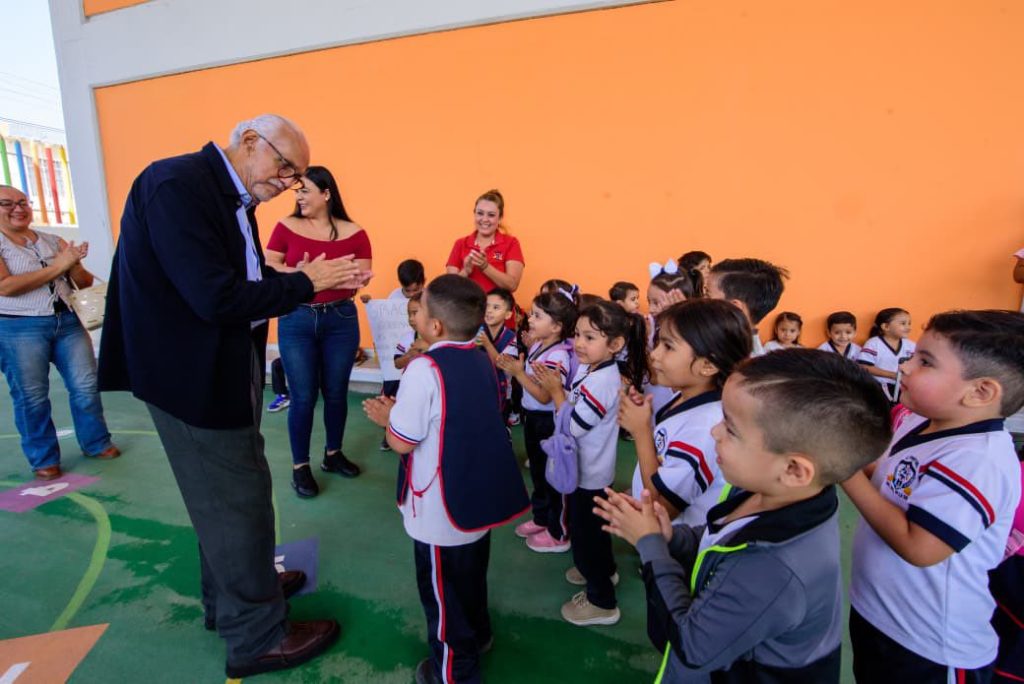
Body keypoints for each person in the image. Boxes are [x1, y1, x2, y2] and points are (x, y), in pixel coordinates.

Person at [99, 114, 364, 678]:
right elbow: (215, 297)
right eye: (285, 168)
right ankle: (257, 635)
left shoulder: (224, 195)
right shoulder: (177, 186)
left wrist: (282, 274)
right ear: (249, 142)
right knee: (234, 499)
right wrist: (305, 284)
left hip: (219, 362)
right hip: (190, 374)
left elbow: (233, 273)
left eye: (296, 176)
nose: (288, 184)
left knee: (229, 494)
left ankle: (237, 593)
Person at [596, 349, 892, 682]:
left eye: (731, 429)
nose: (715, 432)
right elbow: (720, 535)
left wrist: (651, 546)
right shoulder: (767, 490)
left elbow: (691, 645)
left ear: (794, 470)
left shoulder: (774, 568)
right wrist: (671, 537)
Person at [363, 274, 529, 684]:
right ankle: (480, 635)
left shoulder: (424, 368)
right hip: (473, 499)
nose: (414, 316)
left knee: (442, 597)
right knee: (470, 580)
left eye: (419, 310)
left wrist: (388, 418)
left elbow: (402, 442)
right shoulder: (481, 358)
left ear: (434, 325)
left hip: (439, 510)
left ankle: (454, 672)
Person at [844, 310, 1024, 683]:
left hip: (930, 645)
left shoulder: (977, 459)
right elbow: (890, 481)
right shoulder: (919, 420)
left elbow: (920, 547)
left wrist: (842, 467)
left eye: (925, 362)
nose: (905, 367)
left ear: (980, 392)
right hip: (880, 616)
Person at [533, 300, 648, 626]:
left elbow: (573, 427)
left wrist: (556, 392)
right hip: (590, 469)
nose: (579, 344)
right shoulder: (594, 368)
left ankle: (602, 601)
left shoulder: (602, 381)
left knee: (585, 538)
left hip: (589, 475)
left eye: (590, 337)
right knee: (594, 532)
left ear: (615, 344)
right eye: (578, 335)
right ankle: (604, 571)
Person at [265, 165, 372, 498]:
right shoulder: (286, 226)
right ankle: (300, 466)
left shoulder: (355, 232)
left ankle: (333, 454)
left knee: (336, 392)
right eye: (296, 191)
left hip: (340, 319)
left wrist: (356, 278)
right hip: (297, 318)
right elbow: (268, 265)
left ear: (326, 194)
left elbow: (363, 272)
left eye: (305, 191)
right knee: (303, 396)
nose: (298, 196)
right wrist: (298, 274)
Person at [0, 184, 118, 479]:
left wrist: (74, 263)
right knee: (32, 396)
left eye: (23, 202)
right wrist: (59, 265)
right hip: (19, 327)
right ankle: (44, 459)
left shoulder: (52, 241)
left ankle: (97, 442)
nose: (18, 208)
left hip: (67, 321)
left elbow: (83, 282)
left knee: (86, 385)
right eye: (7, 203)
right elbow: (6, 287)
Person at [621, 299, 752, 526]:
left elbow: (662, 508)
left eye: (668, 346)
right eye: (658, 342)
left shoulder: (705, 428)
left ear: (708, 365)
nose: (655, 354)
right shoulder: (687, 395)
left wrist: (641, 432)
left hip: (674, 537)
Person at [497, 291, 576, 552]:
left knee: (551, 477)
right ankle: (542, 518)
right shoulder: (539, 345)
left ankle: (558, 530)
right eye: (532, 314)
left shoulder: (558, 356)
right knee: (539, 474)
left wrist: (519, 373)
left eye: (537, 316)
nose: (530, 319)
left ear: (556, 327)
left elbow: (544, 396)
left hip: (547, 421)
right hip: (533, 419)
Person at [445, 189, 524, 293]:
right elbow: (449, 290)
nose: (484, 219)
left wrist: (485, 267)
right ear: (474, 214)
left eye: (491, 215)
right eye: (480, 213)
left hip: (496, 304)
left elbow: (512, 285)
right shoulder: (460, 244)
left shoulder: (511, 243)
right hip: (467, 303)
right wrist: (465, 271)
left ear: (500, 218)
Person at [706, 258, 788, 357]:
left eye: (707, 295)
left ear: (734, 308)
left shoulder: (745, 363)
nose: (700, 299)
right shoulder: (713, 339)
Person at [379, 292, 426, 451]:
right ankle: (392, 434)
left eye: (415, 313)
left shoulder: (437, 338)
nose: (411, 318)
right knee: (403, 412)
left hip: (426, 388)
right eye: (409, 314)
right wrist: (410, 355)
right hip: (409, 387)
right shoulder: (407, 338)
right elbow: (397, 363)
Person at [476, 288, 519, 422]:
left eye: (496, 307)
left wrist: (487, 344)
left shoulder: (511, 338)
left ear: (508, 314)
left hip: (502, 394)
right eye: (487, 306)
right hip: (479, 389)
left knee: (499, 425)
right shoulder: (477, 331)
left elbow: (503, 365)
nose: (489, 311)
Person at [857, 307, 915, 403]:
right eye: (903, 323)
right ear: (886, 327)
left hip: (903, 387)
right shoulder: (874, 343)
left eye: (909, 323)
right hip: (880, 386)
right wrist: (893, 375)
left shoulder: (911, 345)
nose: (908, 327)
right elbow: (864, 366)